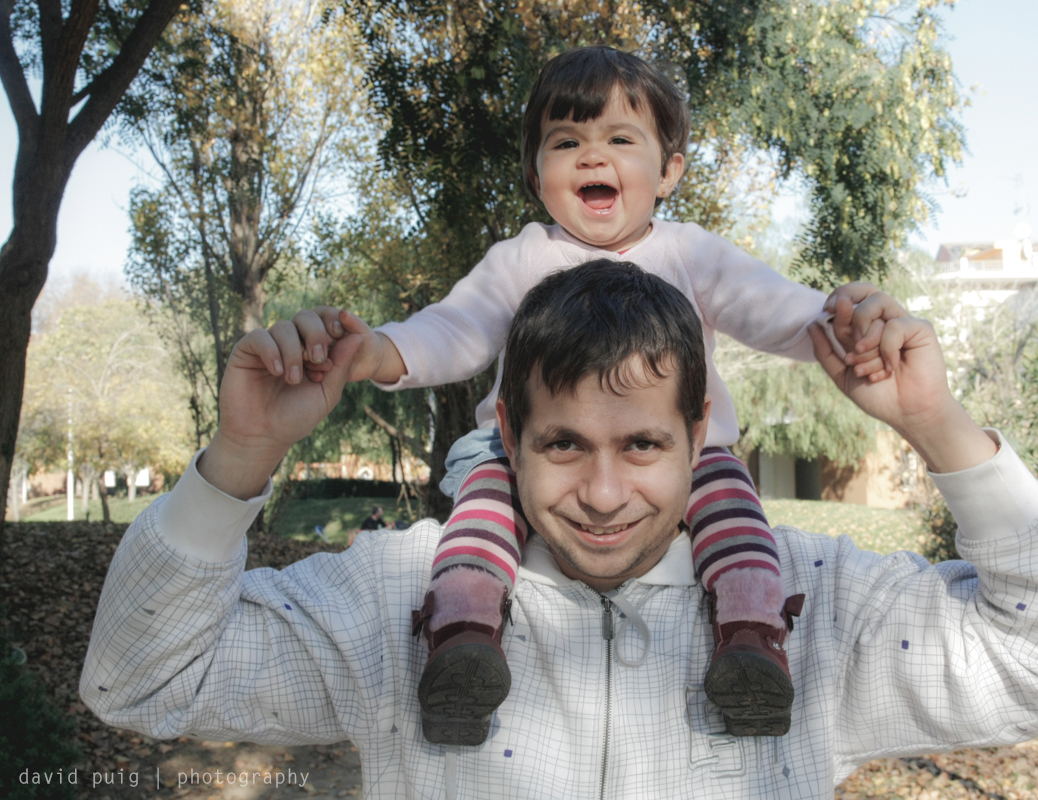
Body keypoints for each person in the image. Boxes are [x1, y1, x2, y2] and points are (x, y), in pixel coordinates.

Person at [82, 261, 1038, 800]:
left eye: (641, 444)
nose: (600, 492)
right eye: (562, 444)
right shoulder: (393, 600)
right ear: (507, 435)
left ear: (699, 432)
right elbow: (143, 681)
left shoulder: (817, 609)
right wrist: (241, 458)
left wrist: (937, 426)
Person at [294, 45, 884, 744]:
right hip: (527, 452)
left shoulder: (690, 253)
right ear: (536, 173)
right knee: (483, 509)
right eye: (566, 141)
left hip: (679, 454)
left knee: (736, 518)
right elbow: (456, 328)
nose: (591, 156)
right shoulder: (524, 258)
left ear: (669, 171)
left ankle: (751, 641)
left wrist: (838, 323)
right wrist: (379, 352)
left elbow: (768, 304)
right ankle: (462, 640)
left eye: (620, 140)